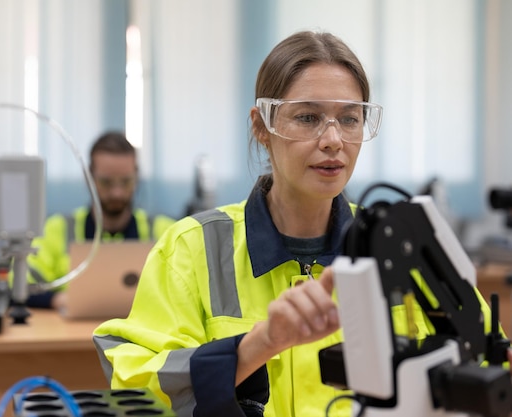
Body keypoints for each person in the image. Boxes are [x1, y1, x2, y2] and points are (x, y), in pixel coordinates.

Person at [92, 31, 511, 417]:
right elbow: (137, 388)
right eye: (308, 118)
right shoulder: (192, 249)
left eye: (349, 118)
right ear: (262, 126)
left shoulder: (402, 243)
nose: (333, 140)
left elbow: (490, 367)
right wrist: (255, 348)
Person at [25, 131, 176, 309]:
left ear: (136, 177)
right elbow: (21, 286)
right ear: (89, 178)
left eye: (126, 181)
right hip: (72, 335)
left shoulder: (165, 231)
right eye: (106, 182)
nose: (116, 192)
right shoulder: (56, 229)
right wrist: (60, 300)